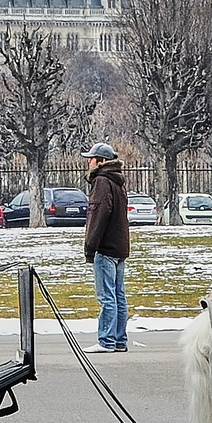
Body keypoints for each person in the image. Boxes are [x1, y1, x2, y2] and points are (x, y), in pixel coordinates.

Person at [83, 143, 132, 353]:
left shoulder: (102, 181)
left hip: (106, 247)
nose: (89, 161)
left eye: (92, 158)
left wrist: (90, 247)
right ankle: (120, 340)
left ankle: (107, 340)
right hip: (120, 246)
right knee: (119, 294)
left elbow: (97, 216)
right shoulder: (118, 181)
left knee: (107, 296)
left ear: (101, 161)